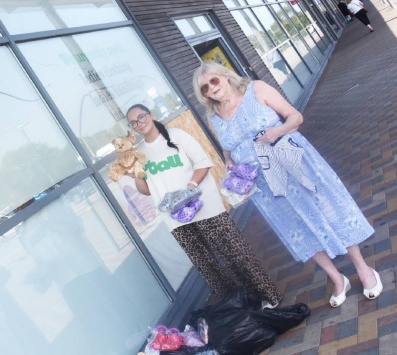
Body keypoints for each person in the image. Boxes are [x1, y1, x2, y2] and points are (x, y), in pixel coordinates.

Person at [192, 61, 381, 308]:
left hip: (292, 165)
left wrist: (277, 131)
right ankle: (337, 278)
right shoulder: (213, 118)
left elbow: (295, 117)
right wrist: (229, 163)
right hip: (263, 185)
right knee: (297, 227)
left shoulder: (256, 89)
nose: (211, 88)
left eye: (213, 80)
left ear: (225, 76)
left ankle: (363, 269)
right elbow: (228, 148)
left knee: (328, 211)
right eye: (204, 88)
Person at [126, 104, 282, 308]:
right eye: (133, 122)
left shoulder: (176, 135)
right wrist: (134, 174)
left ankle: (269, 296)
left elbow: (203, 163)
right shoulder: (139, 154)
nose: (139, 123)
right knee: (208, 268)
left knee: (236, 254)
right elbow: (147, 190)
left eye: (142, 116)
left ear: (151, 115)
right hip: (177, 220)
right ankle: (237, 310)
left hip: (204, 207)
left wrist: (189, 188)